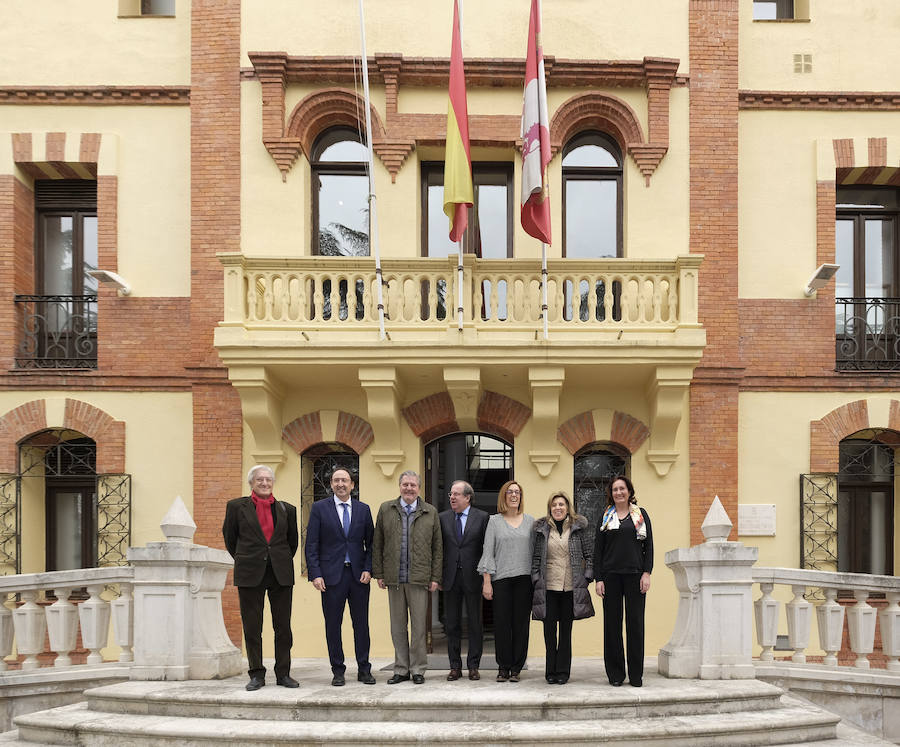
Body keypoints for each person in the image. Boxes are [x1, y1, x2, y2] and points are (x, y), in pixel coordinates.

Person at [222, 465, 299, 691]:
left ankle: (283, 673)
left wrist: (276, 558)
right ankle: (256, 674)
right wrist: (249, 558)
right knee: (253, 627)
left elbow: (292, 543)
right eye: (259, 480)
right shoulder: (236, 507)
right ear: (251, 483)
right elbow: (230, 539)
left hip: (280, 573)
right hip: (249, 573)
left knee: (283, 627)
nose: (264, 483)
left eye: (268, 479)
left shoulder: (288, 509)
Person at [305, 466, 375, 686]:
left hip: (358, 577)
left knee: (361, 624)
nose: (340, 484)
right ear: (331, 485)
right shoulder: (319, 508)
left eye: (345, 480)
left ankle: (364, 668)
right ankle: (338, 670)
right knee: (333, 625)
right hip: (331, 577)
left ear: (352, 485)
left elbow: (372, 544)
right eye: (336, 480)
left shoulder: (363, 509)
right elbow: (312, 544)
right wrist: (315, 574)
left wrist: (368, 568)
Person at [372, 470, 442, 684]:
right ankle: (401, 669)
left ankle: (418, 668)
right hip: (394, 578)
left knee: (419, 627)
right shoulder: (386, 509)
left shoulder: (430, 512)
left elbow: (437, 548)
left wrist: (435, 577)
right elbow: (378, 543)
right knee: (397, 627)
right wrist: (380, 573)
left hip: (419, 579)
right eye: (405, 485)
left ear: (419, 488)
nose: (409, 488)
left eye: (413, 485)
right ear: (399, 486)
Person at [593, 474, 653, 688]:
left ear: (629, 491)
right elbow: (597, 550)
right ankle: (616, 674)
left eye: (622, 489)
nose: (619, 492)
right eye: (615, 489)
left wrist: (647, 573)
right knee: (612, 626)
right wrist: (598, 578)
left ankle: (636, 675)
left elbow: (649, 547)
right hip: (610, 577)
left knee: (636, 625)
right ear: (611, 493)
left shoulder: (640, 514)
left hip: (635, 576)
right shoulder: (605, 516)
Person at [531, 491, 594, 685]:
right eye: (554, 505)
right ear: (550, 508)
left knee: (566, 632)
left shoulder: (578, 528)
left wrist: (587, 578)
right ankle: (550, 671)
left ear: (568, 508)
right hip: (548, 587)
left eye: (561, 504)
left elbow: (590, 555)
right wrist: (535, 579)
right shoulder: (542, 530)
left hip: (570, 588)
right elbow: (535, 558)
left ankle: (563, 672)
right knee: (549, 632)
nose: (558, 508)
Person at [477, 480, 534, 682]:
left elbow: (536, 553)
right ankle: (503, 667)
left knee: (521, 625)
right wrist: (486, 581)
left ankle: (517, 668)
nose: (513, 495)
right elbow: (488, 552)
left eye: (517, 492)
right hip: (500, 580)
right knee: (501, 625)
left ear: (521, 496)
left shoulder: (530, 522)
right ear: (503, 496)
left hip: (524, 580)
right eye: (509, 492)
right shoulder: (494, 521)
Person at [439, 480, 489, 681]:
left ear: (467, 497)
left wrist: (487, 578)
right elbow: (438, 549)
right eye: (451, 494)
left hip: (474, 577)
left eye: (456, 494)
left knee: (475, 624)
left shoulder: (483, 517)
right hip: (450, 577)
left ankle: (474, 666)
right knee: (452, 624)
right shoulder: (442, 518)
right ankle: (455, 666)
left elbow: (487, 549)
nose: (452, 497)